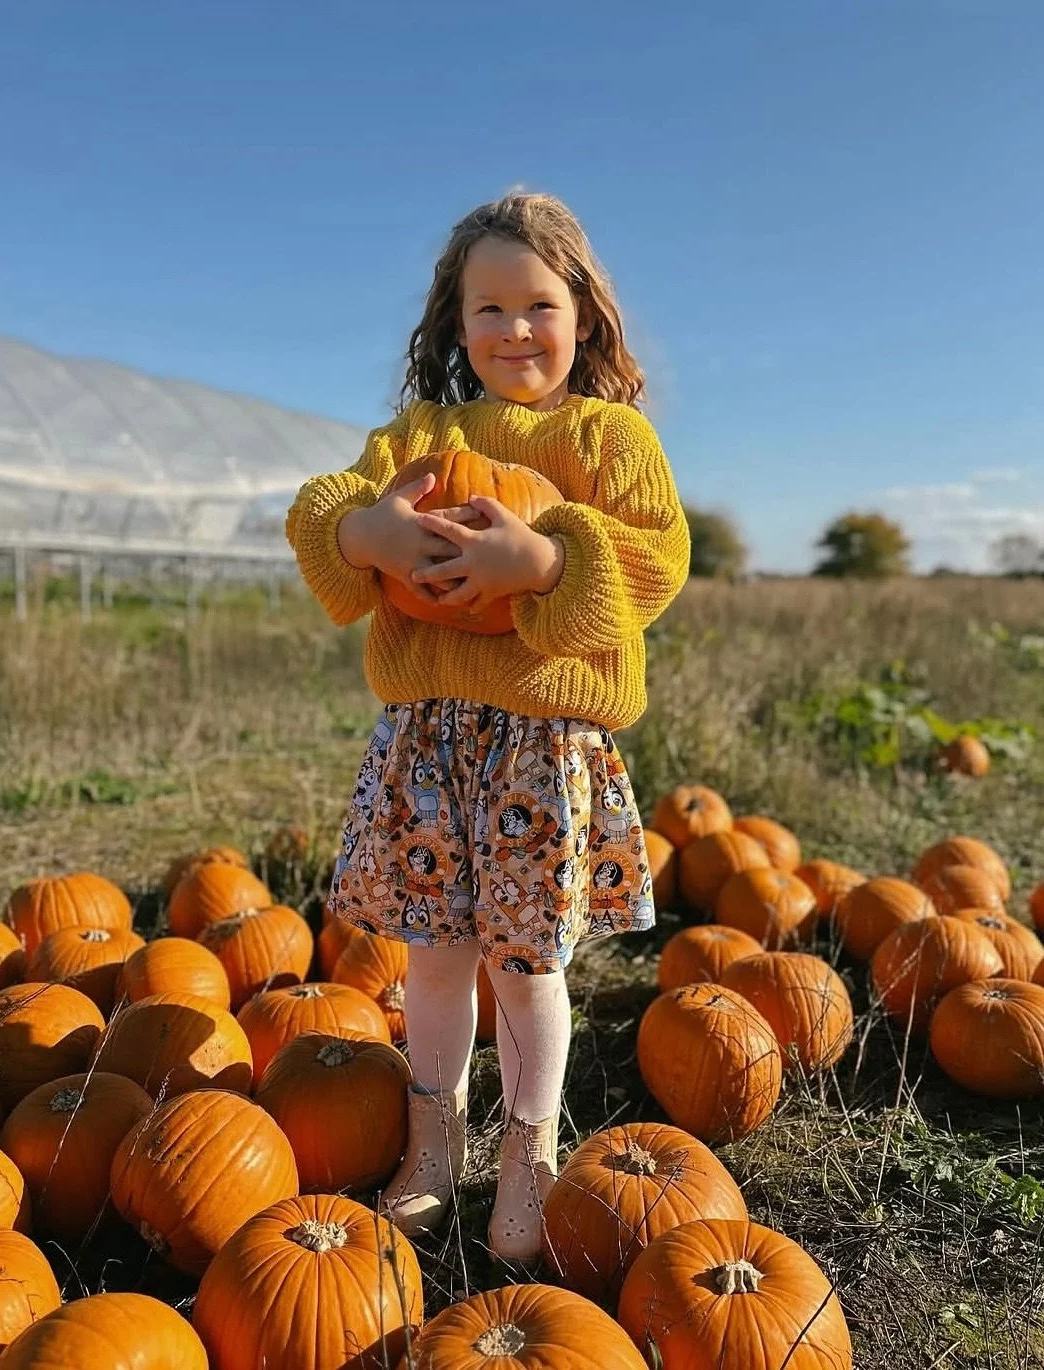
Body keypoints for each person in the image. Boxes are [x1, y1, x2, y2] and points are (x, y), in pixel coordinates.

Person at [286, 190, 690, 1262]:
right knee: (432, 955)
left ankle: (529, 1156)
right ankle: (434, 1144)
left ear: (583, 315)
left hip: (539, 748)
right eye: (489, 309)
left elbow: (655, 560)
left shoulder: (609, 438)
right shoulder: (421, 436)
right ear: (455, 323)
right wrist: (365, 533)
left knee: (523, 966)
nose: (515, 329)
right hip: (429, 740)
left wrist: (547, 561)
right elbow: (321, 503)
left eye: (539, 305)